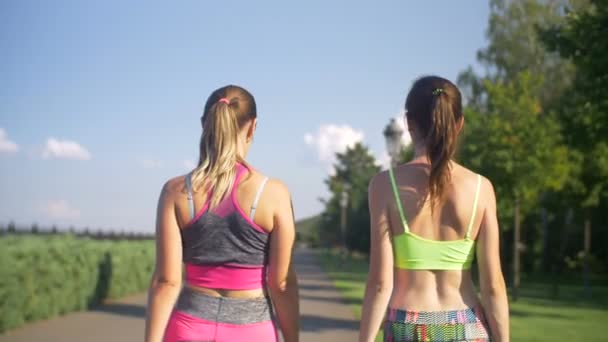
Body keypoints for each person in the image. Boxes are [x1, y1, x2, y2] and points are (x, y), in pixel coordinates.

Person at [359, 76, 509, 342]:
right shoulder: (481, 188)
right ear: (459, 123)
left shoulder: (384, 186)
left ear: (409, 123)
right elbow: (493, 286)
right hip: (467, 325)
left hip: (408, 326)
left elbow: (380, 284)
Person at [145, 85, 299, 342]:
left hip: (189, 328)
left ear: (204, 124)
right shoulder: (273, 193)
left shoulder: (176, 191)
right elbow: (280, 283)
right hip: (252, 332)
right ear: (253, 127)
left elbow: (166, 282)